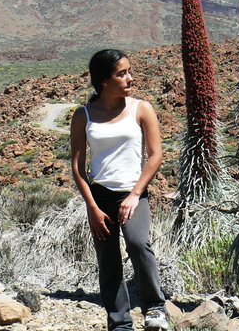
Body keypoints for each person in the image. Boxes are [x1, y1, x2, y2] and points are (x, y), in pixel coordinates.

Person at [70, 49, 169, 331]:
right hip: (99, 196)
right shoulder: (84, 115)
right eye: (121, 73)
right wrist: (92, 207)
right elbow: (78, 166)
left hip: (133, 193)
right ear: (103, 80)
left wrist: (135, 194)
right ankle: (120, 323)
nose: (129, 78)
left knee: (138, 244)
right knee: (108, 259)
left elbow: (155, 156)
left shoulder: (141, 108)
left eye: (129, 71)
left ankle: (155, 309)